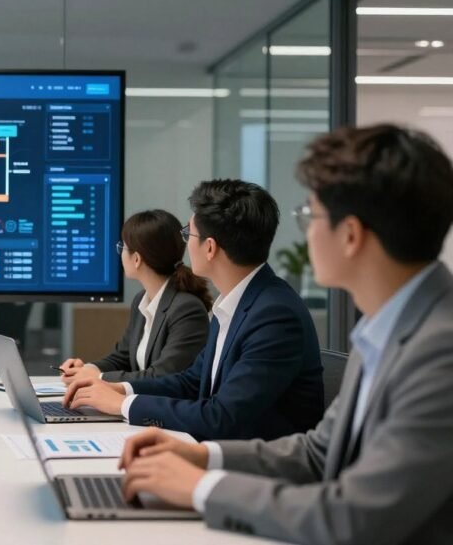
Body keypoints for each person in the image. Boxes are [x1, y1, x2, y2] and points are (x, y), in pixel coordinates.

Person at [117, 124, 453, 544]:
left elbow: (353, 518)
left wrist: (200, 487)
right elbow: (317, 453)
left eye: (311, 216)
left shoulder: (440, 352)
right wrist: (200, 456)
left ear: (350, 235)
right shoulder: (385, 330)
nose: (306, 232)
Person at [64, 180, 324, 441]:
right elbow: (191, 382)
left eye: (190, 234)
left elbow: (221, 417)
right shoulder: (238, 302)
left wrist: (121, 405)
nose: (186, 244)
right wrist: (119, 388)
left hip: (254, 469)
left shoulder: (274, 315)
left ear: (209, 248)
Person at [59, 209, 211, 384]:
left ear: (137, 259)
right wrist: (86, 369)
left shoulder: (186, 309)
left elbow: (163, 375)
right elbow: (122, 357)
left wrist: (98, 378)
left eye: (122, 247)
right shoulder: (142, 300)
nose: (120, 254)